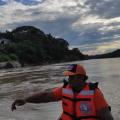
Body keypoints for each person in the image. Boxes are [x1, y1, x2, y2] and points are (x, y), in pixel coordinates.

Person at [11, 64, 113, 120]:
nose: (69, 79)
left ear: (82, 77)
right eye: (69, 76)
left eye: (72, 76)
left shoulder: (94, 92)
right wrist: (26, 100)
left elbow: (106, 116)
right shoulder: (65, 89)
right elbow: (46, 96)